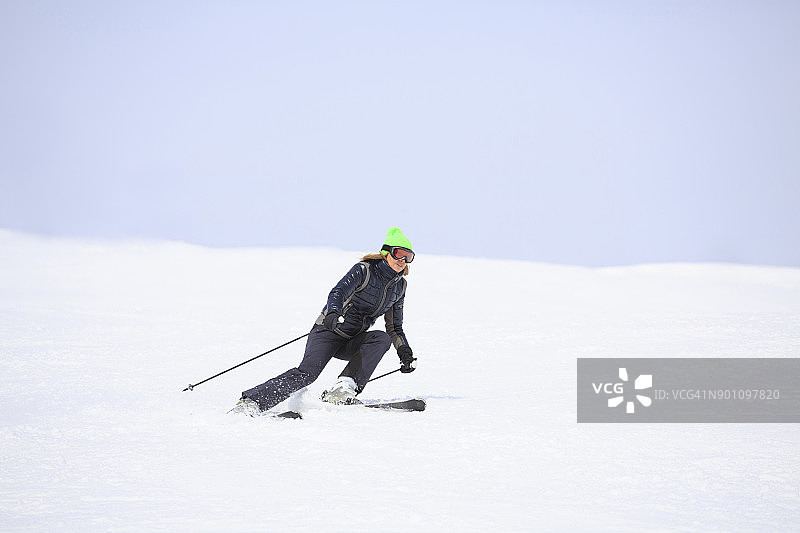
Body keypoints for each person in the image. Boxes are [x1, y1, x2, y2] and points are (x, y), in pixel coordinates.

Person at [234, 227, 417, 414]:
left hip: (352, 339)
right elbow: (338, 292)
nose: (402, 260)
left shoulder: (400, 287)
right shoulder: (365, 270)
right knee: (308, 373)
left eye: (408, 256)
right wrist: (332, 313)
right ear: (386, 253)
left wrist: (404, 352)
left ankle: (341, 391)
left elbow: (394, 327)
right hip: (329, 331)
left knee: (381, 338)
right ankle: (251, 402)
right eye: (399, 253)